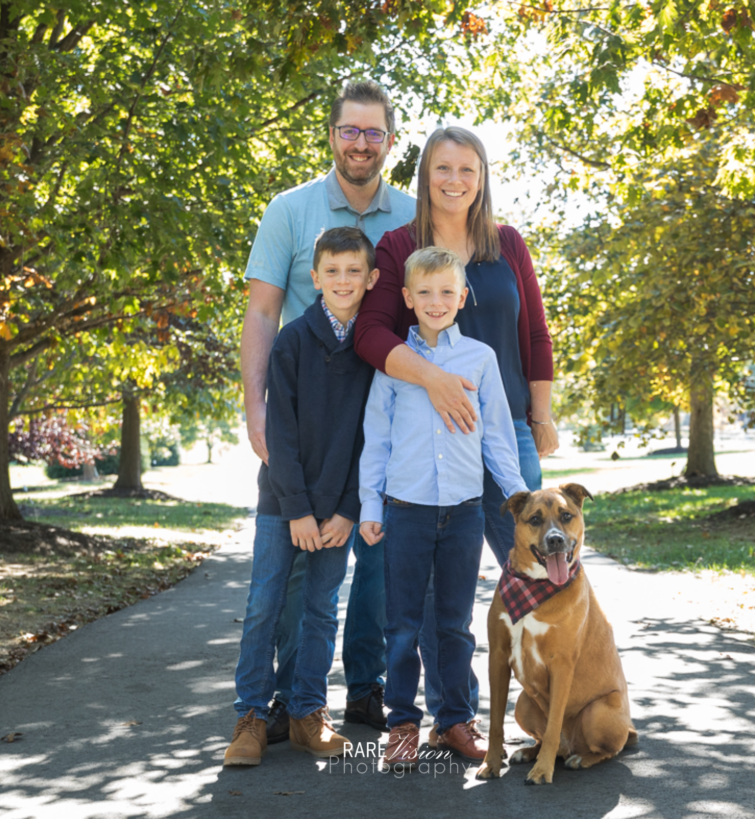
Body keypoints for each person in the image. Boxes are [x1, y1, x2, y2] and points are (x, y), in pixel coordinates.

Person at [353, 126, 558, 731]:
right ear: (424, 177)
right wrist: (434, 382)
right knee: (433, 600)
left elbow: (538, 338)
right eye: (442, 168)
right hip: (429, 441)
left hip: (506, 434)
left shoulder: (507, 245)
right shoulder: (396, 247)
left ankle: (562, 704)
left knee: (545, 574)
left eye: (468, 169)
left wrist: (539, 416)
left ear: (483, 177)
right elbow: (370, 335)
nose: (455, 180)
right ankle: (451, 716)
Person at [239, 80, 416, 739]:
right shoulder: (289, 210)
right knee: (292, 574)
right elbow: (260, 311)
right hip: (307, 422)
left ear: (389, 142)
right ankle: (287, 700)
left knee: (375, 558)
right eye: (351, 130)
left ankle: (365, 689)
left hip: (388, 420)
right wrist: (255, 407)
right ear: (333, 135)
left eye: (374, 132)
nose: (361, 143)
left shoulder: (412, 216)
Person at [358, 247, 529, 769]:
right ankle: (402, 726)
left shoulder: (479, 359)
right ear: (407, 298)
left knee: (455, 623)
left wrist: (521, 500)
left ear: (462, 297)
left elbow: (498, 437)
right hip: (405, 511)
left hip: (464, 512)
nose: (436, 302)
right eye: (425, 293)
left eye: (447, 292)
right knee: (404, 626)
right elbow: (376, 441)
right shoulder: (394, 365)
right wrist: (371, 504)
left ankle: (454, 721)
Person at [224, 227, 379, 766]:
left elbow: (373, 438)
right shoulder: (291, 341)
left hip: (339, 511)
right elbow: (280, 434)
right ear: (313, 278)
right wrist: (297, 510)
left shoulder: (373, 350)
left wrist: (347, 510)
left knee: (319, 609)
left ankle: (309, 712)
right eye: (331, 271)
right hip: (282, 505)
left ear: (372, 279)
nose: (342, 280)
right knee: (264, 605)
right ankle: (250, 716)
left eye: (353, 271)